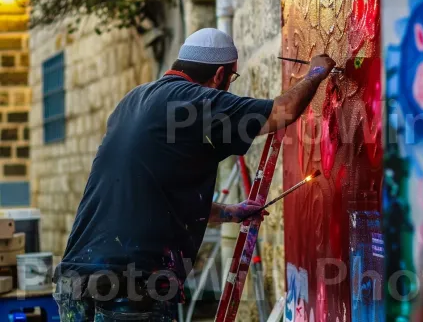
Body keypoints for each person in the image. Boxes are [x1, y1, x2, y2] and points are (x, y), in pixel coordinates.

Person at [52, 28, 336, 321]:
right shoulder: (196, 101)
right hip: (129, 286)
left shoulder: (132, 101)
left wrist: (229, 212)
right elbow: (282, 112)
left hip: (74, 280)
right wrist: (315, 72)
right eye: (231, 79)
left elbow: (156, 190)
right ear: (219, 75)